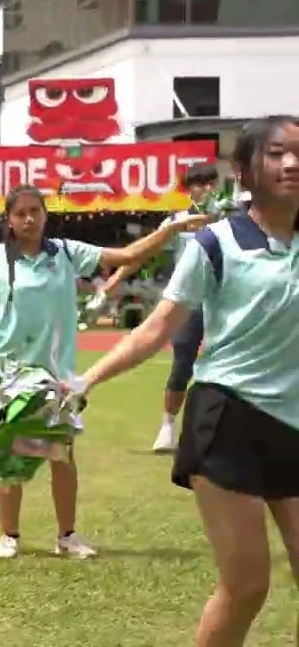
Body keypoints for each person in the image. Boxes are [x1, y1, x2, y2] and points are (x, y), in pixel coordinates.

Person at [74, 117, 299, 646]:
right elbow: (157, 330)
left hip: (296, 421)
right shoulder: (215, 243)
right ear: (244, 171)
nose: (291, 163)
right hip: (231, 420)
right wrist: (85, 380)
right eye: (276, 153)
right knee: (247, 586)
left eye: (298, 153)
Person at [0, 183, 209, 560]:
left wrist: (170, 230)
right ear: (9, 219)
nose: (29, 219)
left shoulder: (66, 253)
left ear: (45, 214)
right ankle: (9, 537)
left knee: (61, 457)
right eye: (20, 213)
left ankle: (66, 536)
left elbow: (128, 254)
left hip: (57, 377)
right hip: (9, 374)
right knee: (8, 457)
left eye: (35, 211)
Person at [95, 162, 222, 453]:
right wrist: (114, 280)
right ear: (189, 189)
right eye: (198, 184)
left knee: (227, 367)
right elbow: (142, 253)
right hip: (188, 304)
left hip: (226, 304)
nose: (204, 189)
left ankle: (226, 432)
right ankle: (167, 427)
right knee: (182, 366)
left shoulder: (231, 218)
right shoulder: (176, 222)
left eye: (209, 183)